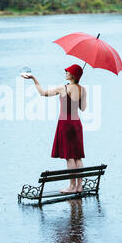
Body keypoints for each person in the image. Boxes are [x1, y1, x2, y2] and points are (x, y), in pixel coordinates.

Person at [22, 64, 87, 193]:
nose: (66, 72)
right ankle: (79, 187)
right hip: (77, 124)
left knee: (69, 157)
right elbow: (83, 108)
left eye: (68, 71)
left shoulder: (63, 88)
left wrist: (34, 78)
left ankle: (72, 187)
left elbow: (43, 93)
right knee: (77, 157)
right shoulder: (83, 89)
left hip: (66, 124)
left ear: (73, 75)